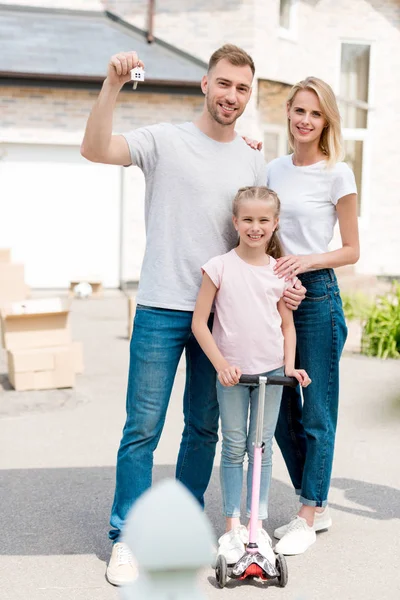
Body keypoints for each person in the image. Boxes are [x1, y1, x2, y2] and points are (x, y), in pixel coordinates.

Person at [80, 45, 306, 585]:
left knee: (203, 431)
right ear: (205, 84)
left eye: (243, 89)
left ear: (249, 96)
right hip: (161, 304)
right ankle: (126, 539)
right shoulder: (163, 139)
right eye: (224, 84)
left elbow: (257, 233)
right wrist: (111, 84)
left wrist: (282, 288)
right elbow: (93, 149)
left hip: (220, 321)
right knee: (143, 429)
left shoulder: (252, 158)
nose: (232, 96)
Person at [263, 77, 360, 556]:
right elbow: (260, 223)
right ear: (288, 112)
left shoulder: (337, 174)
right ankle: (316, 499)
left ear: (326, 121)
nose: (305, 120)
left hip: (317, 298)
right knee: (280, 413)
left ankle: (307, 512)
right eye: (299, 110)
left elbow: (352, 250)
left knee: (317, 411)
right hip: (277, 297)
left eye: (315, 114)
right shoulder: (273, 169)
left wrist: (305, 263)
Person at [191, 185, 311, 565]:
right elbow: (199, 323)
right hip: (232, 375)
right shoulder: (220, 266)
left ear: (275, 224)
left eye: (263, 220)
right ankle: (232, 528)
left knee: (261, 449)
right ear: (235, 222)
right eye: (248, 219)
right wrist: (221, 365)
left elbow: (287, 327)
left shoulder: (279, 273)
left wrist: (290, 366)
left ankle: (256, 525)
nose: (255, 227)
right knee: (233, 447)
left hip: (272, 372)